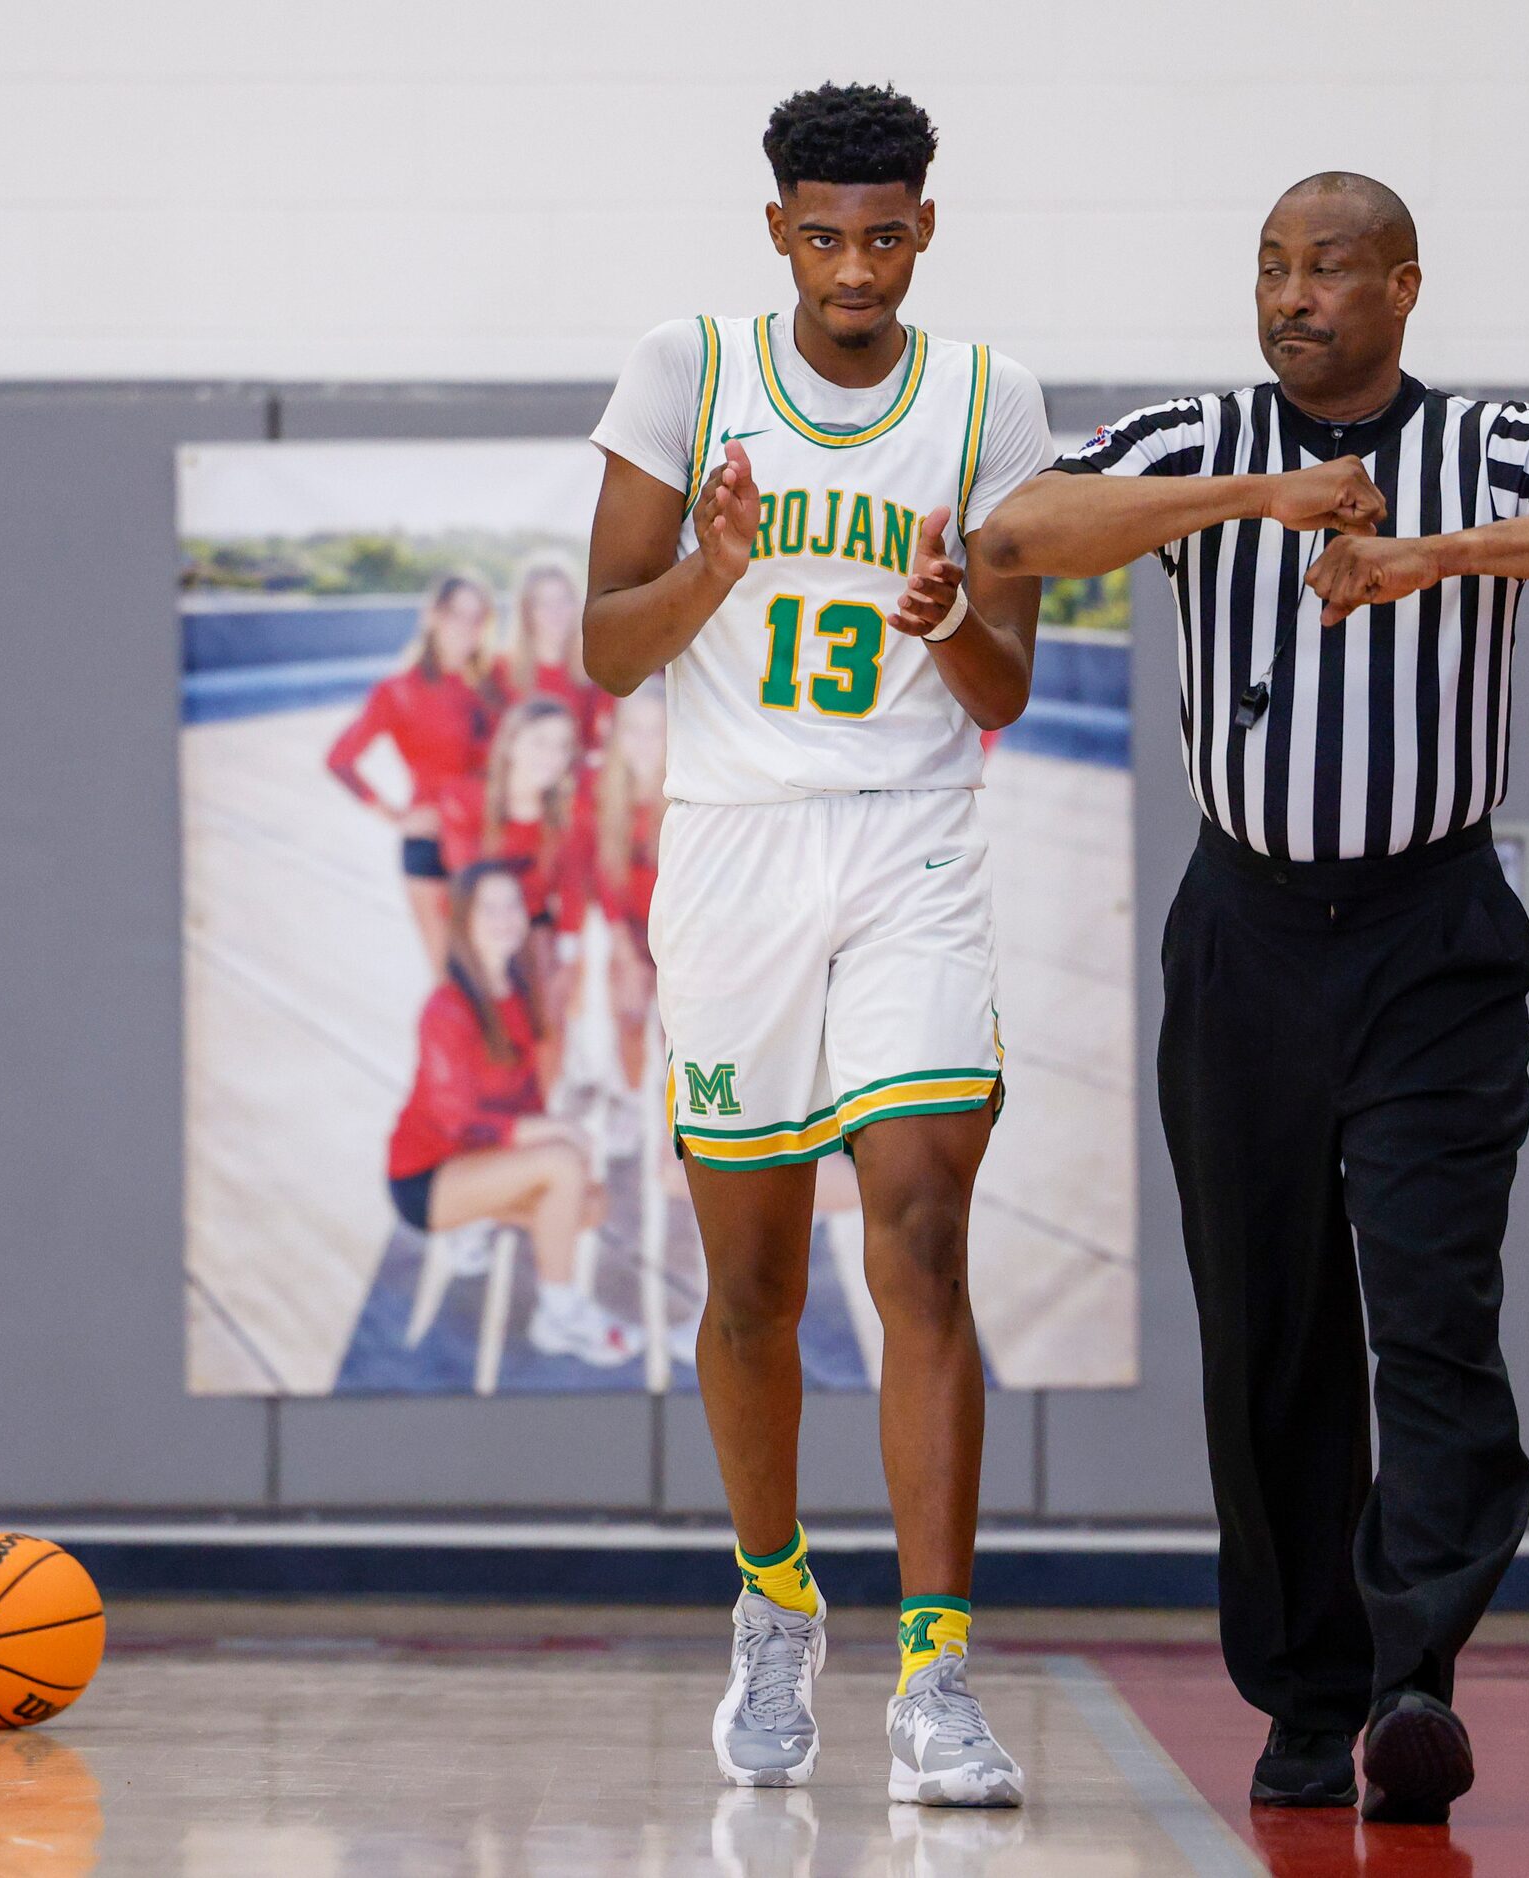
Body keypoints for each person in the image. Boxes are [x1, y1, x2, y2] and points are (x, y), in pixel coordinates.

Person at [982, 172, 1529, 1824]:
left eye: (1326, 268)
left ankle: (1411, 1678)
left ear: (1399, 285)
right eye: (1268, 266)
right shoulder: (1193, 437)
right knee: (1266, 1331)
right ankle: (1308, 1701)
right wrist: (1252, 497)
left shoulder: (1496, 441)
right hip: (1242, 930)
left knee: (1430, 1306)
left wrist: (1429, 554)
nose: (1292, 292)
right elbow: (1015, 529)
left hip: (1430, 929)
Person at [583, 83, 1053, 1805]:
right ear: (775, 230)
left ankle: (938, 1673)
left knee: (921, 1233)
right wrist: (710, 572)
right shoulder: (685, 370)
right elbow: (605, 649)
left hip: (911, 842)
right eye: (824, 234)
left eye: (883, 233)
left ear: (924, 227)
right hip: (734, 851)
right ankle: (774, 1598)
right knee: (755, 1285)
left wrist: (947, 626)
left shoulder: (991, 396)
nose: (855, 266)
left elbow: (1007, 686)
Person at [386, 861, 645, 1368]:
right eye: (490, 907)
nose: (506, 918)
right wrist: (553, 1134)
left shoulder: (518, 994)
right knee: (562, 1166)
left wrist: (558, 1133)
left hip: (480, 1159)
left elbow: (526, 1099)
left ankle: (478, 1220)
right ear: (463, 920)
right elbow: (454, 1122)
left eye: (512, 906)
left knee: (589, 1205)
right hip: (427, 1176)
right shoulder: (447, 1007)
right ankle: (560, 1315)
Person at [326, 573, 504, 973]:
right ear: (433, 616)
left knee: (499, 982)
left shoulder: (497, 682)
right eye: (456, 613)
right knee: (449, 979)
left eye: (477, 617)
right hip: (431, 846)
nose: (466, 627)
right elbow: (340, 760)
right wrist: (396, 816)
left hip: (492, 841)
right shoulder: (398, 690)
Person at [438, 695, 596, 1087]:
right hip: (478, 925)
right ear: (510, 743)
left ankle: (543, 1095)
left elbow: (573, 889)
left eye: (562, 745)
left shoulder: (568, 812)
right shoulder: (464, 799)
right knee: (487, 1015)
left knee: (551, 998)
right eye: (540, 741)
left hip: (535, 924)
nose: (552, 755)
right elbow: (469, 888)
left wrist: (569, 959)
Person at [594, 684, 667, 1122]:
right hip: (630, 929)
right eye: (632, 731)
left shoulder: (684, 793)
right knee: (627, 1011)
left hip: (678, 933)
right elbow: (605, 879)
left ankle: (675, 1117)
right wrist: (623, 947)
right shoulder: (603, 792)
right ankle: (631, 1099)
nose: (642, 742)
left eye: (655, 731)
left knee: (674, 1030)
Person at [505, 556, 612, 751]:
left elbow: (597, 746)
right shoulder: (502, 670)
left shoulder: (595, 671)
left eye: (564, 600)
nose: (556, 611)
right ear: (527, 611)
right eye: (543, 603)